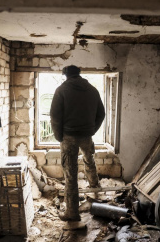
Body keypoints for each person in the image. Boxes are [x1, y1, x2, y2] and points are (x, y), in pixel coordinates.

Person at [50, 65, 105, 221]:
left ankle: (72, 212)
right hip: (86, 135)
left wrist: (59, 136)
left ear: (65, 75)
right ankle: (94, 186)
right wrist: (92, 130)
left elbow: (55, 116)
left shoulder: (61, 90)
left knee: (71, 173)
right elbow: (101, 113)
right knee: (89, 159)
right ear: (79, 74)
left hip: (69, 136)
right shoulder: (92, 90)